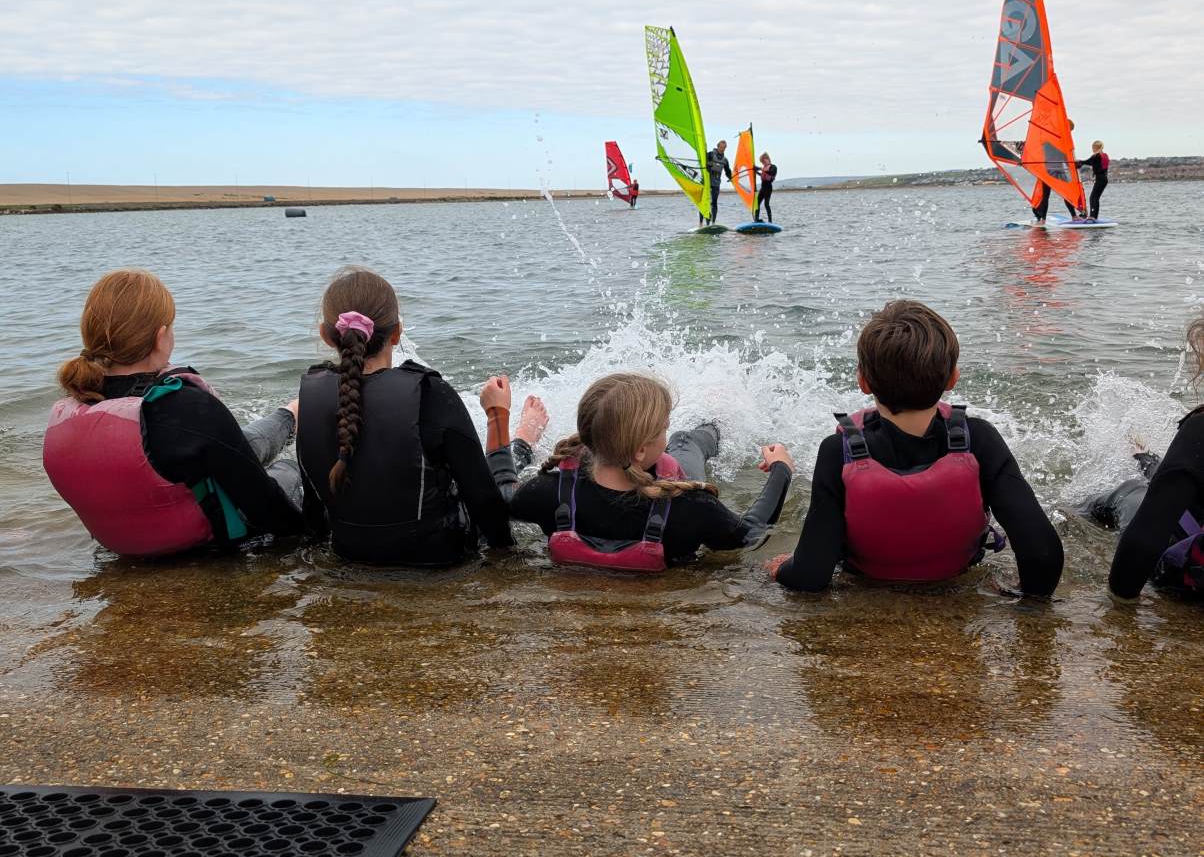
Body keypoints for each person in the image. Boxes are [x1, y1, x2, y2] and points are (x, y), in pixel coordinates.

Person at [768, 300, 1064, 594]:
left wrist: (781, 568)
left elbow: (811, 575)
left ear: (863, 381)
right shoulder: (979, 441)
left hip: (870, 586)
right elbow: (1043, 554)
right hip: (956, 580)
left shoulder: (837, 453)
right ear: (953, 378)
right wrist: (1024, 601)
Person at [44, 269, 304, 557]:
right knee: (289, 470)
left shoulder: (76, 405)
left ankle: (290, 413)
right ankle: (295, 414)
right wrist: (316, 536)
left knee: (244, 443)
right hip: (204, 538)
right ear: (161, 336)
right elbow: (268, 510)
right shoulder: (184, 406)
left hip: (125, 541)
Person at [296, 267, 514, 565]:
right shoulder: (430, 393)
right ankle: (508, 424)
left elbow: (314, 508)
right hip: (437, 558)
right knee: (503, 478)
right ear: (397, 333)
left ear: (326, 335)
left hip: (350, 553)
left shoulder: (309, 398)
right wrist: (509, 558)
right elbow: (485, 501)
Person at [480, 371, 793, 570]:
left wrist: (499, 417)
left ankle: (525, 437)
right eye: (663, 428)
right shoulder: (691, 508)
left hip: (615, 455)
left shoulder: (547, 492)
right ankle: (716, 419)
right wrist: (781, 469)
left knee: (677, 441)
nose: (665, 433)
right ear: (641, 450)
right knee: (685, 441)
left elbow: (502, 490)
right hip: (665, 479)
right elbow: (750, 534)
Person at [1083, 313, 1204, 598]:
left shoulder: (1200, 430)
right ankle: (1147, 459)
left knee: (1129, 492)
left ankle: (1070, 511)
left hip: (1189, 576)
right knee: (1171, 479)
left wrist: (1119, 603)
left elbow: (1143, 542)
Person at [1075, 140, 1110, 220]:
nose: (1092, 149)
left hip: (1100, 179)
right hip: (1104, 179)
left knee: (1093, 198)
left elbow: (1088, 161)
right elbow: (1092, 163)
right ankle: (1094, 216)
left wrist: (1079, 162)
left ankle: (1092, 216)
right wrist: (1081, 163)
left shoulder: (1096, 155)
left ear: (1095, 147)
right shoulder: (1105, 155)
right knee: (1096, 198)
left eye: (1093, 147)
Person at [705, 140, 732, 224]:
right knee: (705, 201)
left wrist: (732, 178)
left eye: (724, 147)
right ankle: (703, 223)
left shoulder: (725, 160)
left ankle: (713, 222)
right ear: (718, 146)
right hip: (707, 180)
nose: (722, 149)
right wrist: (707, 165)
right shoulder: (710, 154)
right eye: (721, 147)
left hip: (716, 182)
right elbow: (702, 163)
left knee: (714, 202)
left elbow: (728, 172)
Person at [755, 152, 778, 223]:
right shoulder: (764, 168)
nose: (763, 163)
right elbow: (763, 174)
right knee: (757, 203)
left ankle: (770, 221)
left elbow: (771, 173)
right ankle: (756, 219)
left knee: (766, 204)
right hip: (762, 188)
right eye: (762, 162)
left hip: (768, 188)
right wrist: (755, 172)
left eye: (764, 161)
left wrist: (760, 168)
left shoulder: (773, 167)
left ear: (768, 159)